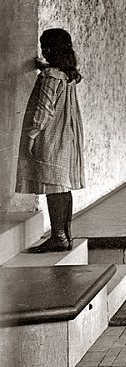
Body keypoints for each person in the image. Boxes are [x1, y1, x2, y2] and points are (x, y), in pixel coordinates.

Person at [16, 28, 85, 253]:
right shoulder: (67, 74)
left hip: (51, 135)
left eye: (45, 46)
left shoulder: (50, 77)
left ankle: (58, 236)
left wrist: (31, 136)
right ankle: (65, 233)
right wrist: (43, 67)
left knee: (53, 185)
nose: (43, 50)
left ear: (50, 49)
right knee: (61, 185)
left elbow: (43, 109)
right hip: (67, 135)